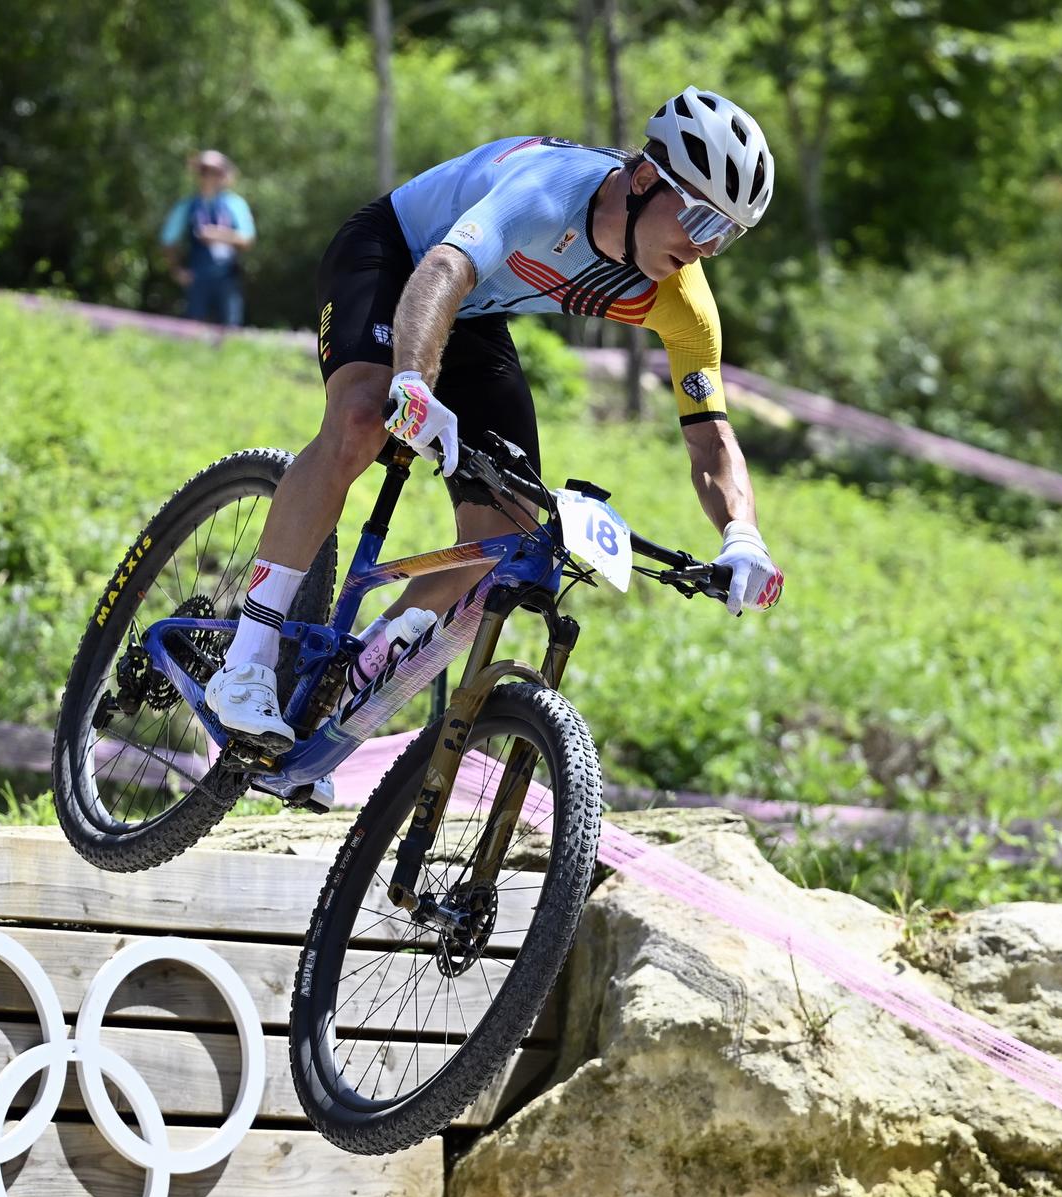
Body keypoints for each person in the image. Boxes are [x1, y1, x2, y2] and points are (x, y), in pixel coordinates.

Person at [204, 87, 786, 754]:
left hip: (474, 311)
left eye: (729, 236)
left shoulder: (682, 301)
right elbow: (443, 269)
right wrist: (414, 384)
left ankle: (350, 674)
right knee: (365, 416)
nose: (709, 249)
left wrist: (743, 534)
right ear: (647, 179)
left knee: (506, 530)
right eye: (705, 223)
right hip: (398, 254)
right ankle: (246, 659)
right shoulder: (548, 190)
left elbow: (710, 437)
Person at [160, 149, 256, 327]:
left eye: (216, 172)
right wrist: (177, 270)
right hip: (198, 277)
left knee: (231, 331)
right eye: (204, 171)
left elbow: (247, 240)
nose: (209, 177)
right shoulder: (188, 206)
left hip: (228, 277)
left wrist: (217, 234)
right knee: (193, 331)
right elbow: (168, 240)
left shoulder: (235, 204)